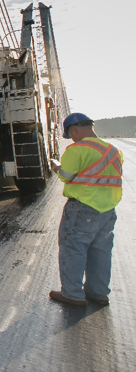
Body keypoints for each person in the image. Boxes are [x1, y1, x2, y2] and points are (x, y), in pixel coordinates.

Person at [47, 112, 124, 306]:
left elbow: (67, 175)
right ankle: (98, 292)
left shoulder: (78, 149)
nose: (71, 138)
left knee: (73, 248)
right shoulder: (114, 151)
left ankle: (72, 293)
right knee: (101, 251)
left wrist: (56, 166)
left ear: (75, 130)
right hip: (107, 210)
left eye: (71, 134)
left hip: (82, 207)